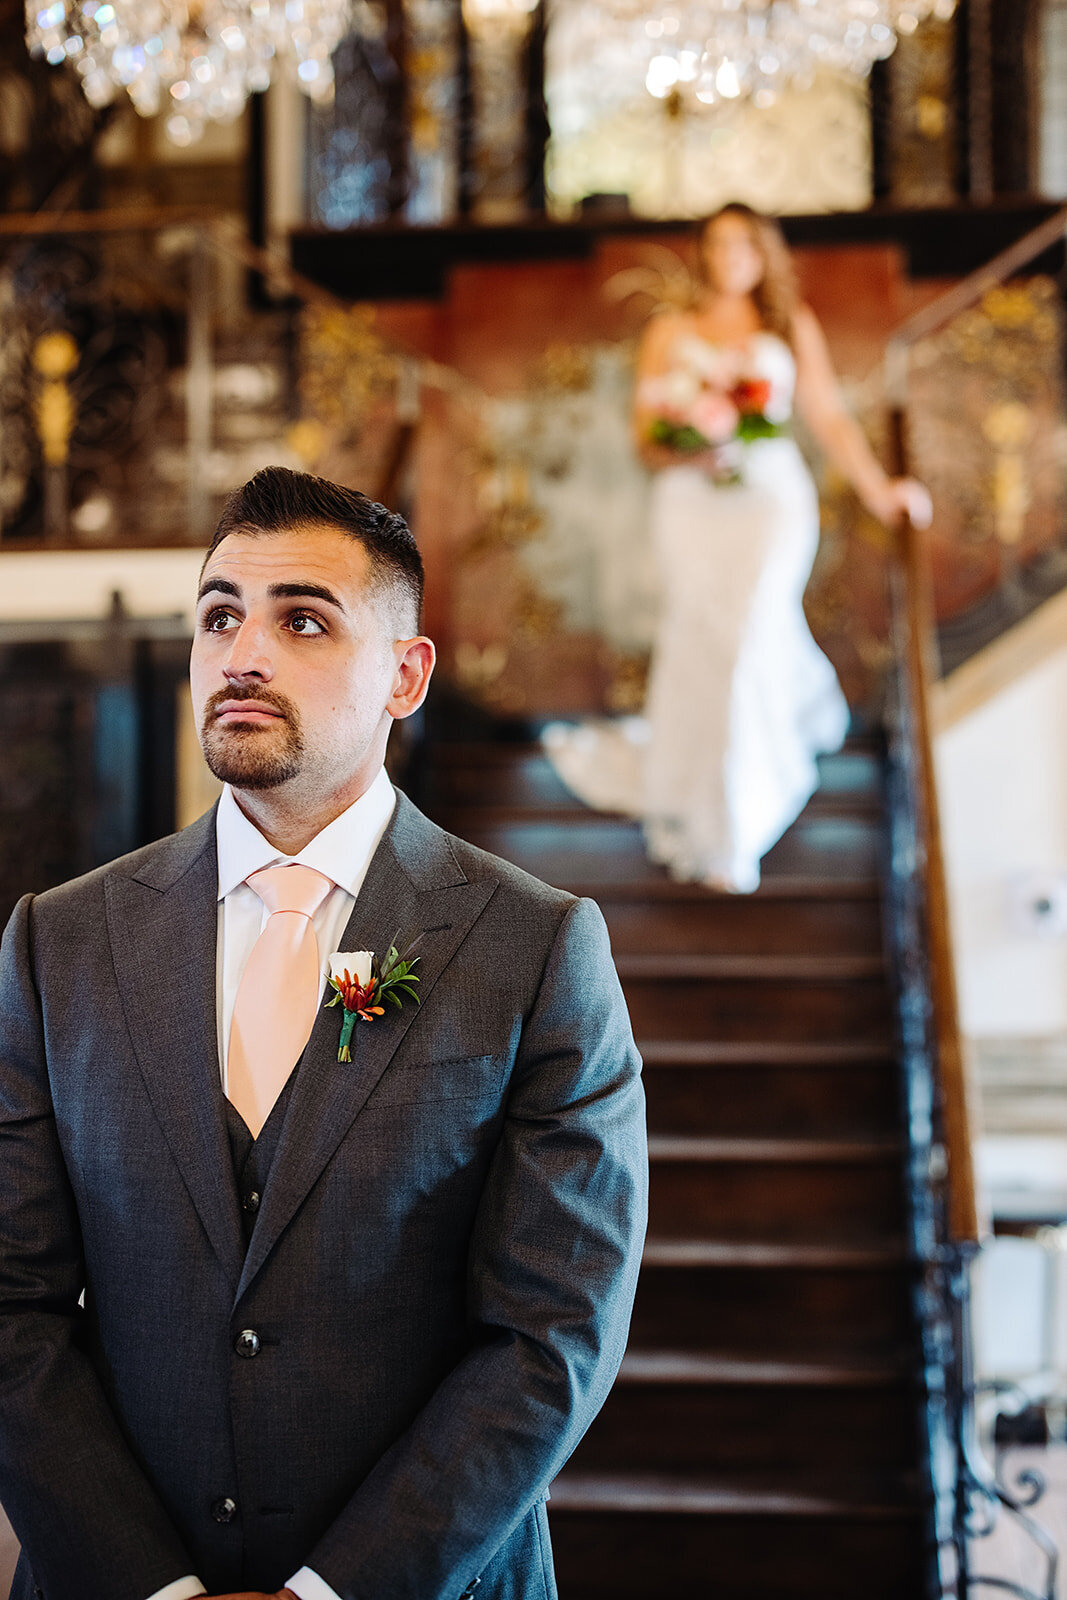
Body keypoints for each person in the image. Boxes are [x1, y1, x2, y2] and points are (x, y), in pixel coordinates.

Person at [0, 468, 647, 1600]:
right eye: (218, 615)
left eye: (301, 618)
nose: (242, 652)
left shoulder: (537, 948)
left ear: (405, 674)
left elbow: (552, 1336)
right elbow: (11, 1302)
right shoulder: (56, 943)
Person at [544, 202, 932, 893]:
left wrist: (880, 492)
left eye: (742, 245)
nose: (729, 257)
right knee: (704, 637)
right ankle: (711, 798)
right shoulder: (669, 330)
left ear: (761, 255)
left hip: (769, 501)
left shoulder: (788, 325)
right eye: (717, 245)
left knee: (752, 628)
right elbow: (645, 438)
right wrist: (691, 442)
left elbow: (829, 418)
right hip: (690, 504)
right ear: (703, 254)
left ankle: (741, 821)